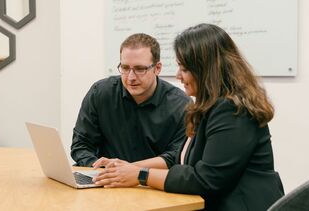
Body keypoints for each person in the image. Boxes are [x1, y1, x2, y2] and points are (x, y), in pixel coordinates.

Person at [93, 23, 285, 210]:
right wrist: (125, 168)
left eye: (184, 69)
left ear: (207, 70)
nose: (178, 76)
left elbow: (206, 180)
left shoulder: (233, 110)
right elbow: (181, 162)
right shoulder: (208, 106)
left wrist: (140, 175)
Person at [71, 33, 191, 169]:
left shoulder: (181, 105)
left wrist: (128, 169)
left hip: (150, 184)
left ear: (157, 68)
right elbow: (81, 145)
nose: (131, 77)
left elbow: (178, 156)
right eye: (125, 68)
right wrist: (98, 168)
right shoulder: (101, 92)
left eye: (140, 69)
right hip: (103, 179)